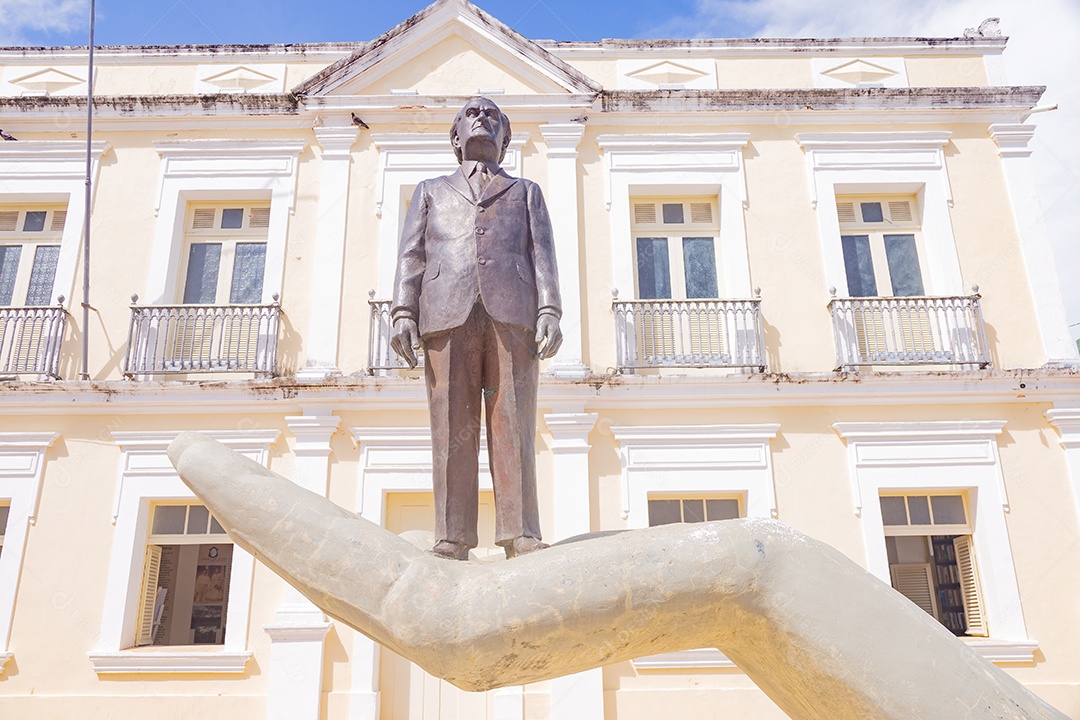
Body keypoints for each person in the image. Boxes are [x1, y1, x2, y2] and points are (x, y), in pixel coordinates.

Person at [390, 97, 562, 560]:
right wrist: (403, 311)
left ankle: (521, 532)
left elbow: (543, 255)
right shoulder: (429, 190)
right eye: (471, 113)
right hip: (446, 312)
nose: (481, 118)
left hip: (513, 314)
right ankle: (452, 536)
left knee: (514, 422)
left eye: (492, 115)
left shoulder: (526, 192)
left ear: (505, 141)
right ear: (455, 137)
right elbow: (412, 255)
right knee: (450, 426)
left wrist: (551, 310)